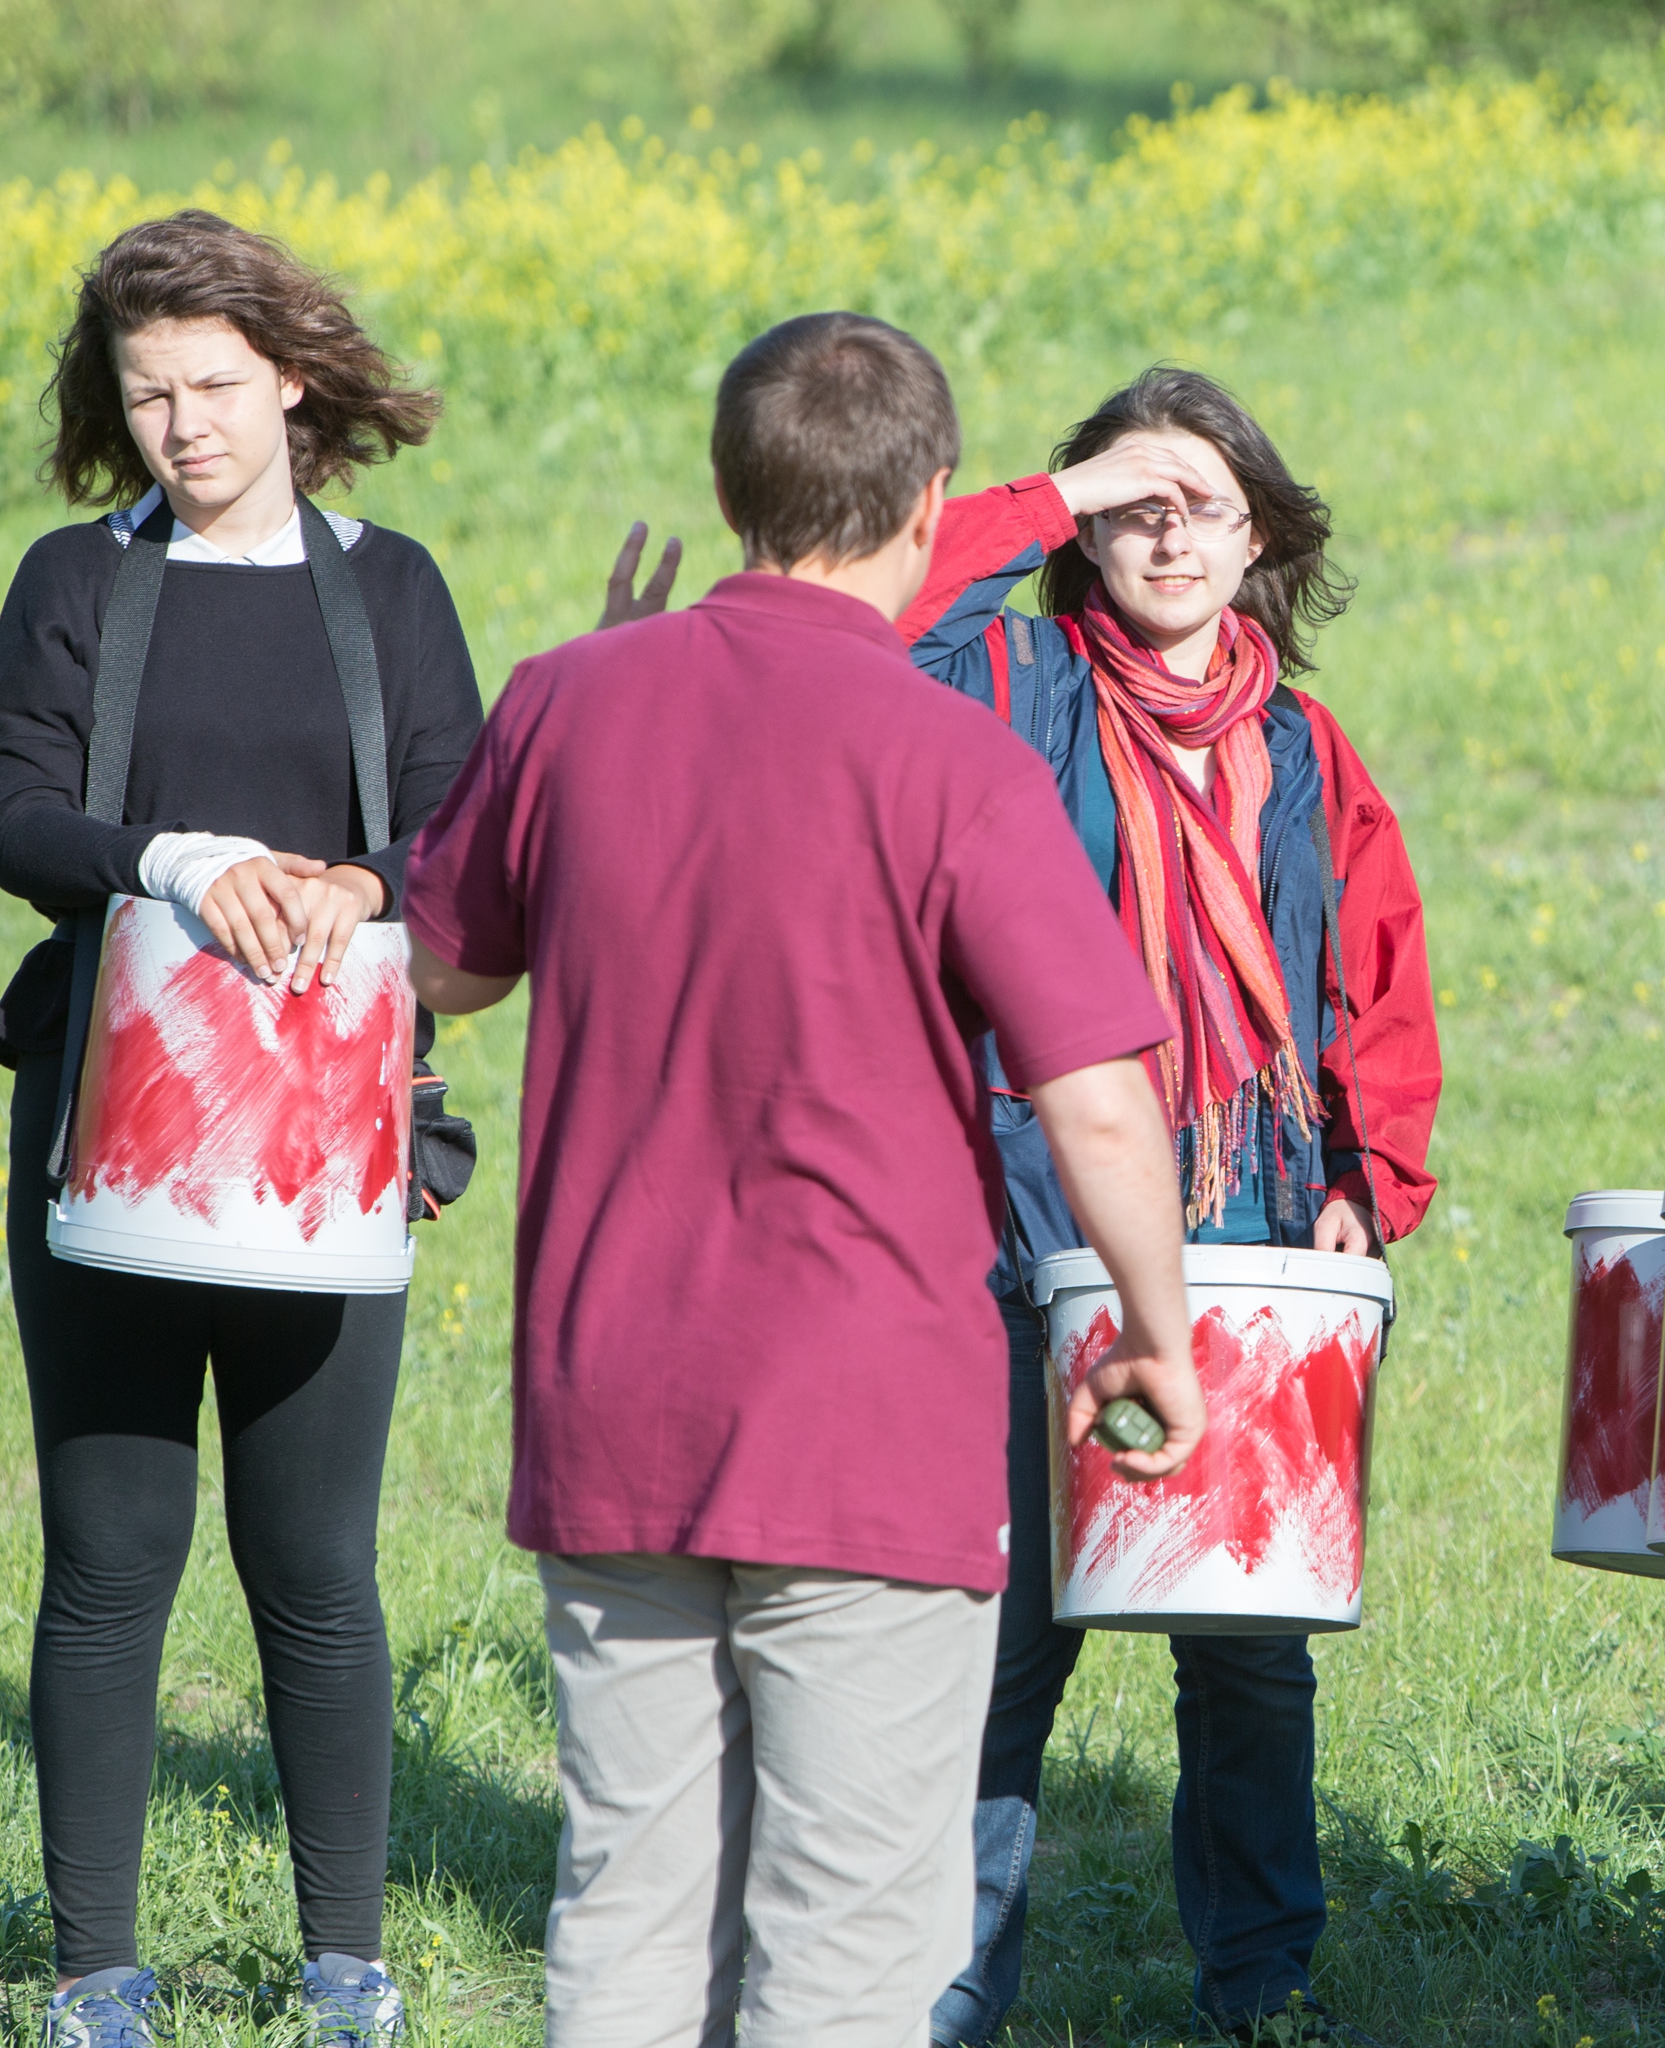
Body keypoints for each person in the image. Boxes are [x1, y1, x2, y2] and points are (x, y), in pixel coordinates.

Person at [403, 311, 1206, 2048]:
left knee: (629, 1907)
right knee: (844, 1946)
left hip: (612, 1412)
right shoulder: (960, 760)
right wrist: (1160, 1331)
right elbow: (1101, 1103)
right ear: (931, 501)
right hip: (866, 1428)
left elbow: (446, 964)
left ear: (729, 490)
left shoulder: (567, 696)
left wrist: (572, 722)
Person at [877, 367, 1440, 2044]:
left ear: (1262, 535)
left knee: (1249, 1637)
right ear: (1088, 526)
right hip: (1022, 1218)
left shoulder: (1304, 745)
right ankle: (943, 1992)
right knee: (1004, 1635)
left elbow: (1377, 977)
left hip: (1255, 1220)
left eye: (1208, 506)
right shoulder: (1008, 683)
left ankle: (1263, 1986)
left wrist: (1367, 1178)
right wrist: (1067, 486)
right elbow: (881, 608)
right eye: (1140, 506)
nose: (1174, 537)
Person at [0, 210, 484, 2048]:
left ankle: (347, 1968)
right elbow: (14, 809)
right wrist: (174, 861)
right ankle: (93, 1974)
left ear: (290, 378)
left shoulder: (391, 590)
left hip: (328, 1146)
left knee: (319, 1566)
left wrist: (357, 882)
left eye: (212, 384)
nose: (183, 424)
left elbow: (459, 830)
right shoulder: (76, 582)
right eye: (147, 393)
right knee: (109, 1558)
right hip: (106, 1133)